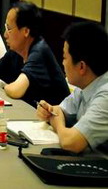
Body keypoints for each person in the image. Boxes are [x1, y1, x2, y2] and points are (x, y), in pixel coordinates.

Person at [37, 22, 108, 154]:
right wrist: (50, 111)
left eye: (65, 58)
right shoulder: (86, 84)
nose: (63, 63)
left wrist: (57, 123)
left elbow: (71, 142)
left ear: (81, 67)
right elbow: (58, 110)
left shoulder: (105, 96)